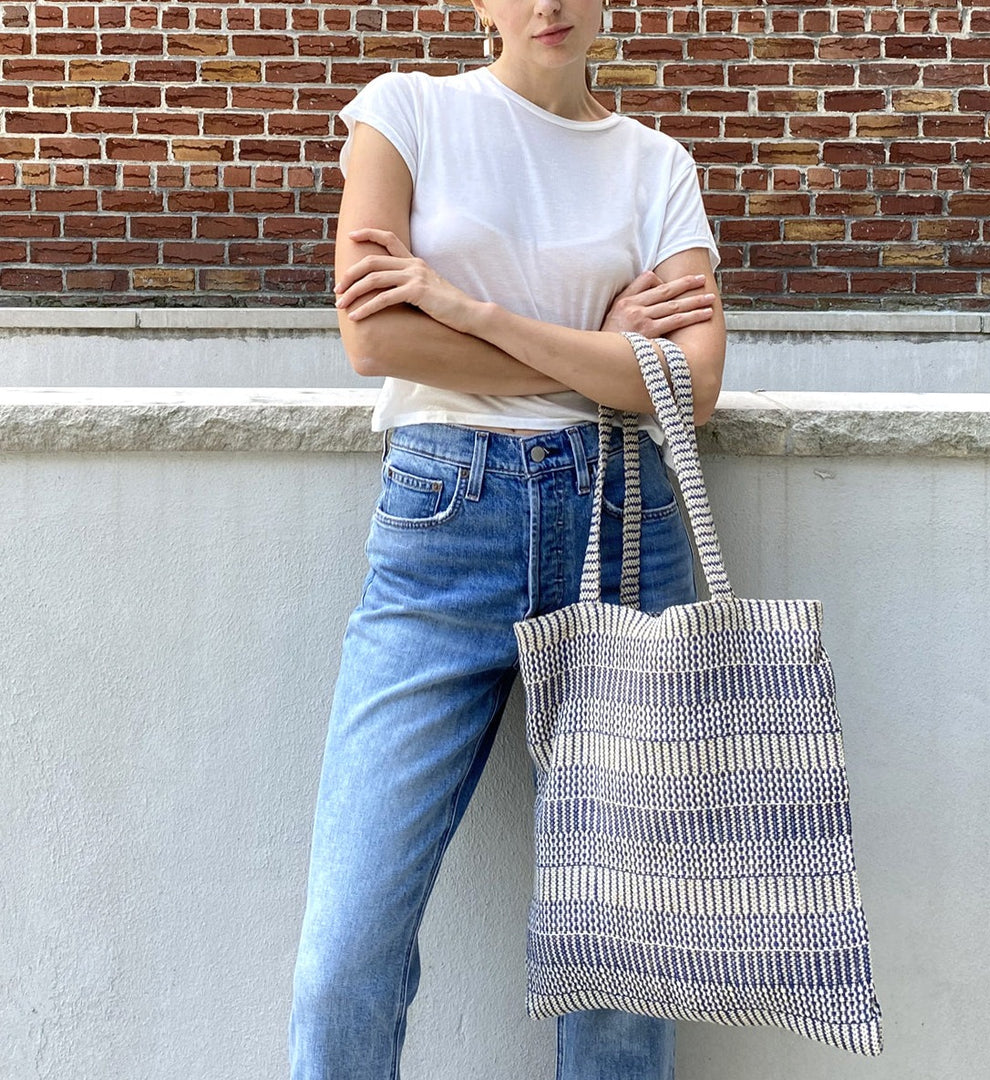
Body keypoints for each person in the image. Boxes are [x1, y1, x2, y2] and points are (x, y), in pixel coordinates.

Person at [288, 0, 726, 1076]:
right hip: (442, 531)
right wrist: (592, 352)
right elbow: (374, 334)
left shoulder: (656, 164)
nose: (551, 6)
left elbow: (694, 386)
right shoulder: (406, 115)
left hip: (627, 527)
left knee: (620, 956)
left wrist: (470, 314)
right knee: (347, 947)